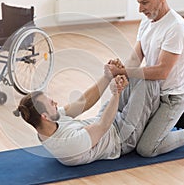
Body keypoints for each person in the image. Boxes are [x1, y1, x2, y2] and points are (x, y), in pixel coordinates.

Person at [107, 0, 184, 157]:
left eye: (144, 2)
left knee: (146, 149)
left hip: (172, 97)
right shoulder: (147, 21)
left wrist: (124, 72)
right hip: (153, 91)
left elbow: (161, 72)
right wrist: (120, 73)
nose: (140, 9)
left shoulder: (176, 27)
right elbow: (135, 59)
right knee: (116, 107)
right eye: (138, 2)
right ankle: (176, 118)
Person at [14, 62, 161, 166]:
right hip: (121, 136)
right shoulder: (67, 145)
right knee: (148, 83)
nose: (55, 103)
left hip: (105, 118)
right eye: (51, 103)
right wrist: (116, 93)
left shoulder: (47, 124)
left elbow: (82, 103)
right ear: (44, 116)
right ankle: (161, 115)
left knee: (133, 77)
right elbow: (103, 126)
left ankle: (150, 117)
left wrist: (108, 76)